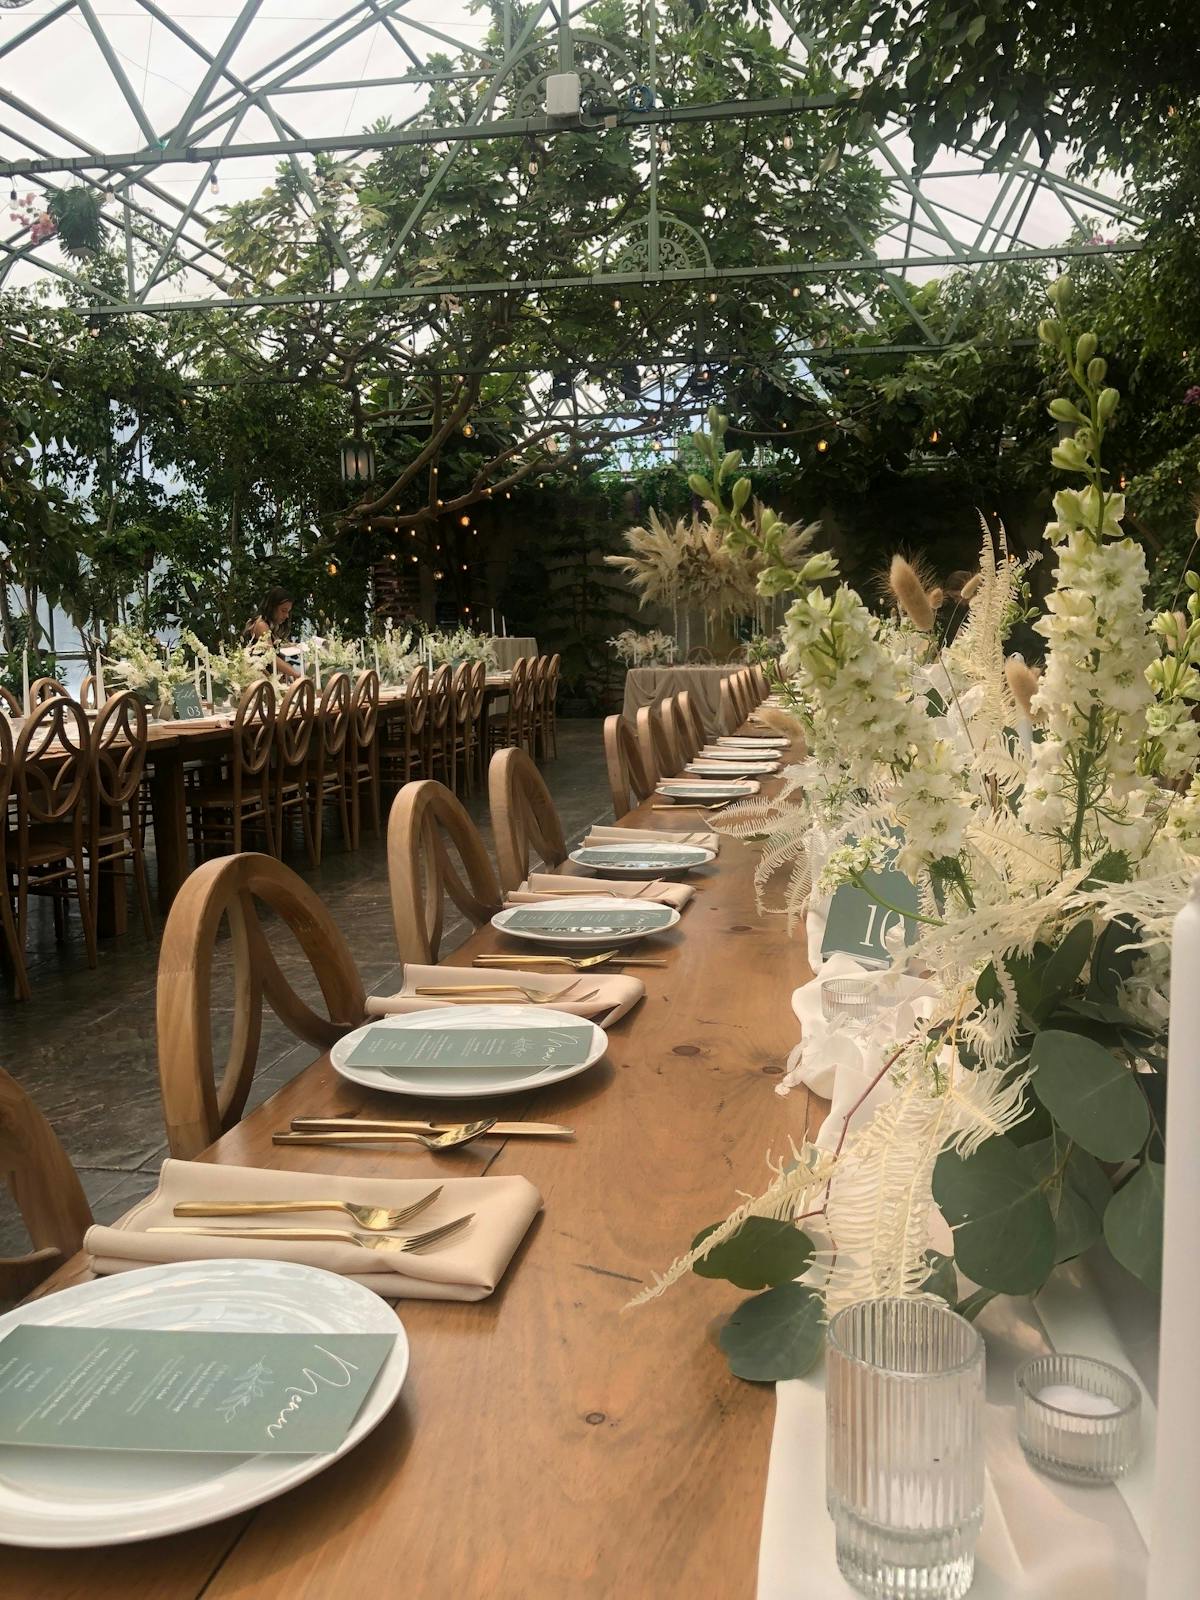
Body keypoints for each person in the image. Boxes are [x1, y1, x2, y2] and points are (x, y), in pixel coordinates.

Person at [244, 587, 301, 680]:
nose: (286, 616)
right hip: (259, 681)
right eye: (283, 610)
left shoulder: (268, 624)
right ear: (272, 607)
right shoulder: (261, 625)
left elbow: (272, 647)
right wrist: (296, 674)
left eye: (288, 612)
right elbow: (271, 657)